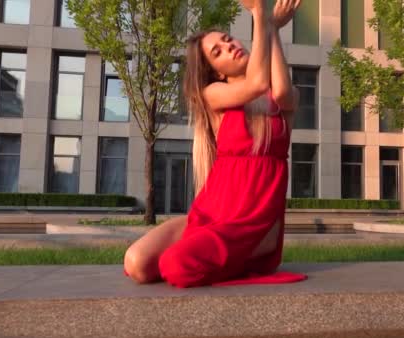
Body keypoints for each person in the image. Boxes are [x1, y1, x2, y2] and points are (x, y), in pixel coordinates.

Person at [123, 0, 306, 288]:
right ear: (217, 71)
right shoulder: (213, 94)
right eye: (217, 51)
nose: (229, 46)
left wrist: (271, 27)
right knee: (137, 264)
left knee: (175, 266)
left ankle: (239, 256)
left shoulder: (281, 99)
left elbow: (279, 91)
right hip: (212, 212)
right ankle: (212, 255)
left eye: (228, 39)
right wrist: (260, 13)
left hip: (251, 224)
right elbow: (256, 83)